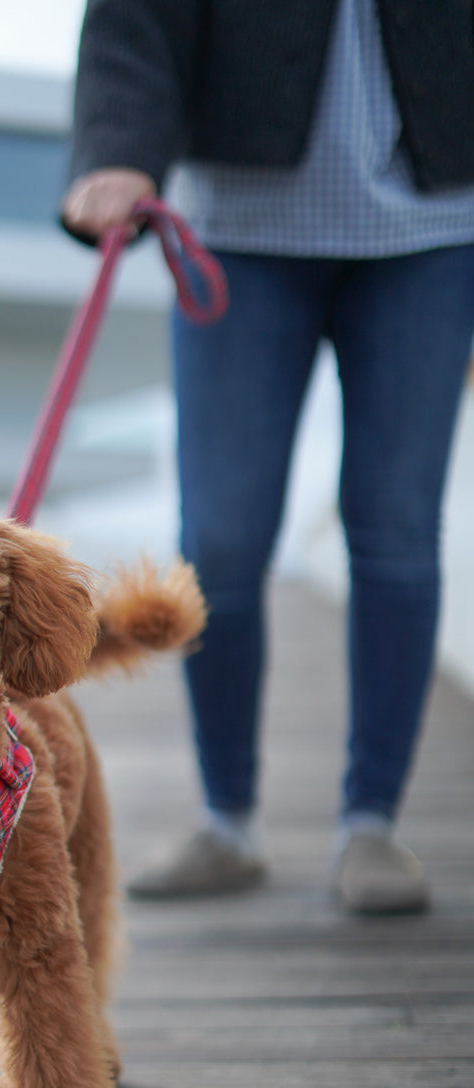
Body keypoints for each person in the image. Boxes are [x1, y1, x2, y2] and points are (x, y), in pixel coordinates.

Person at [61, 0, 474, 913]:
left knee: (397, 527)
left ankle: (372, 824)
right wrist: (117, 150)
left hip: (436, 228)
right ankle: (227, 821)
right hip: (241, 229)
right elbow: (136, 23)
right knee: (220, 538)